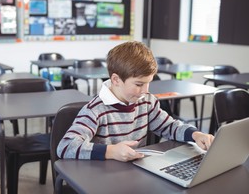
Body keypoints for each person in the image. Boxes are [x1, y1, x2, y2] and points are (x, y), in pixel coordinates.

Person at [57, 41, 214, 162]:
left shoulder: (146, 102)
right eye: (139, 84)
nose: (146, 90)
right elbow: (66, 147)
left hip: (136, 172)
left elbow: (169, 126)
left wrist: (195, 134)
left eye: (148, 83)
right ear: (116, 80)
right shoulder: (95, 110)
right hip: (104, 177)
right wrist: (111, 151)